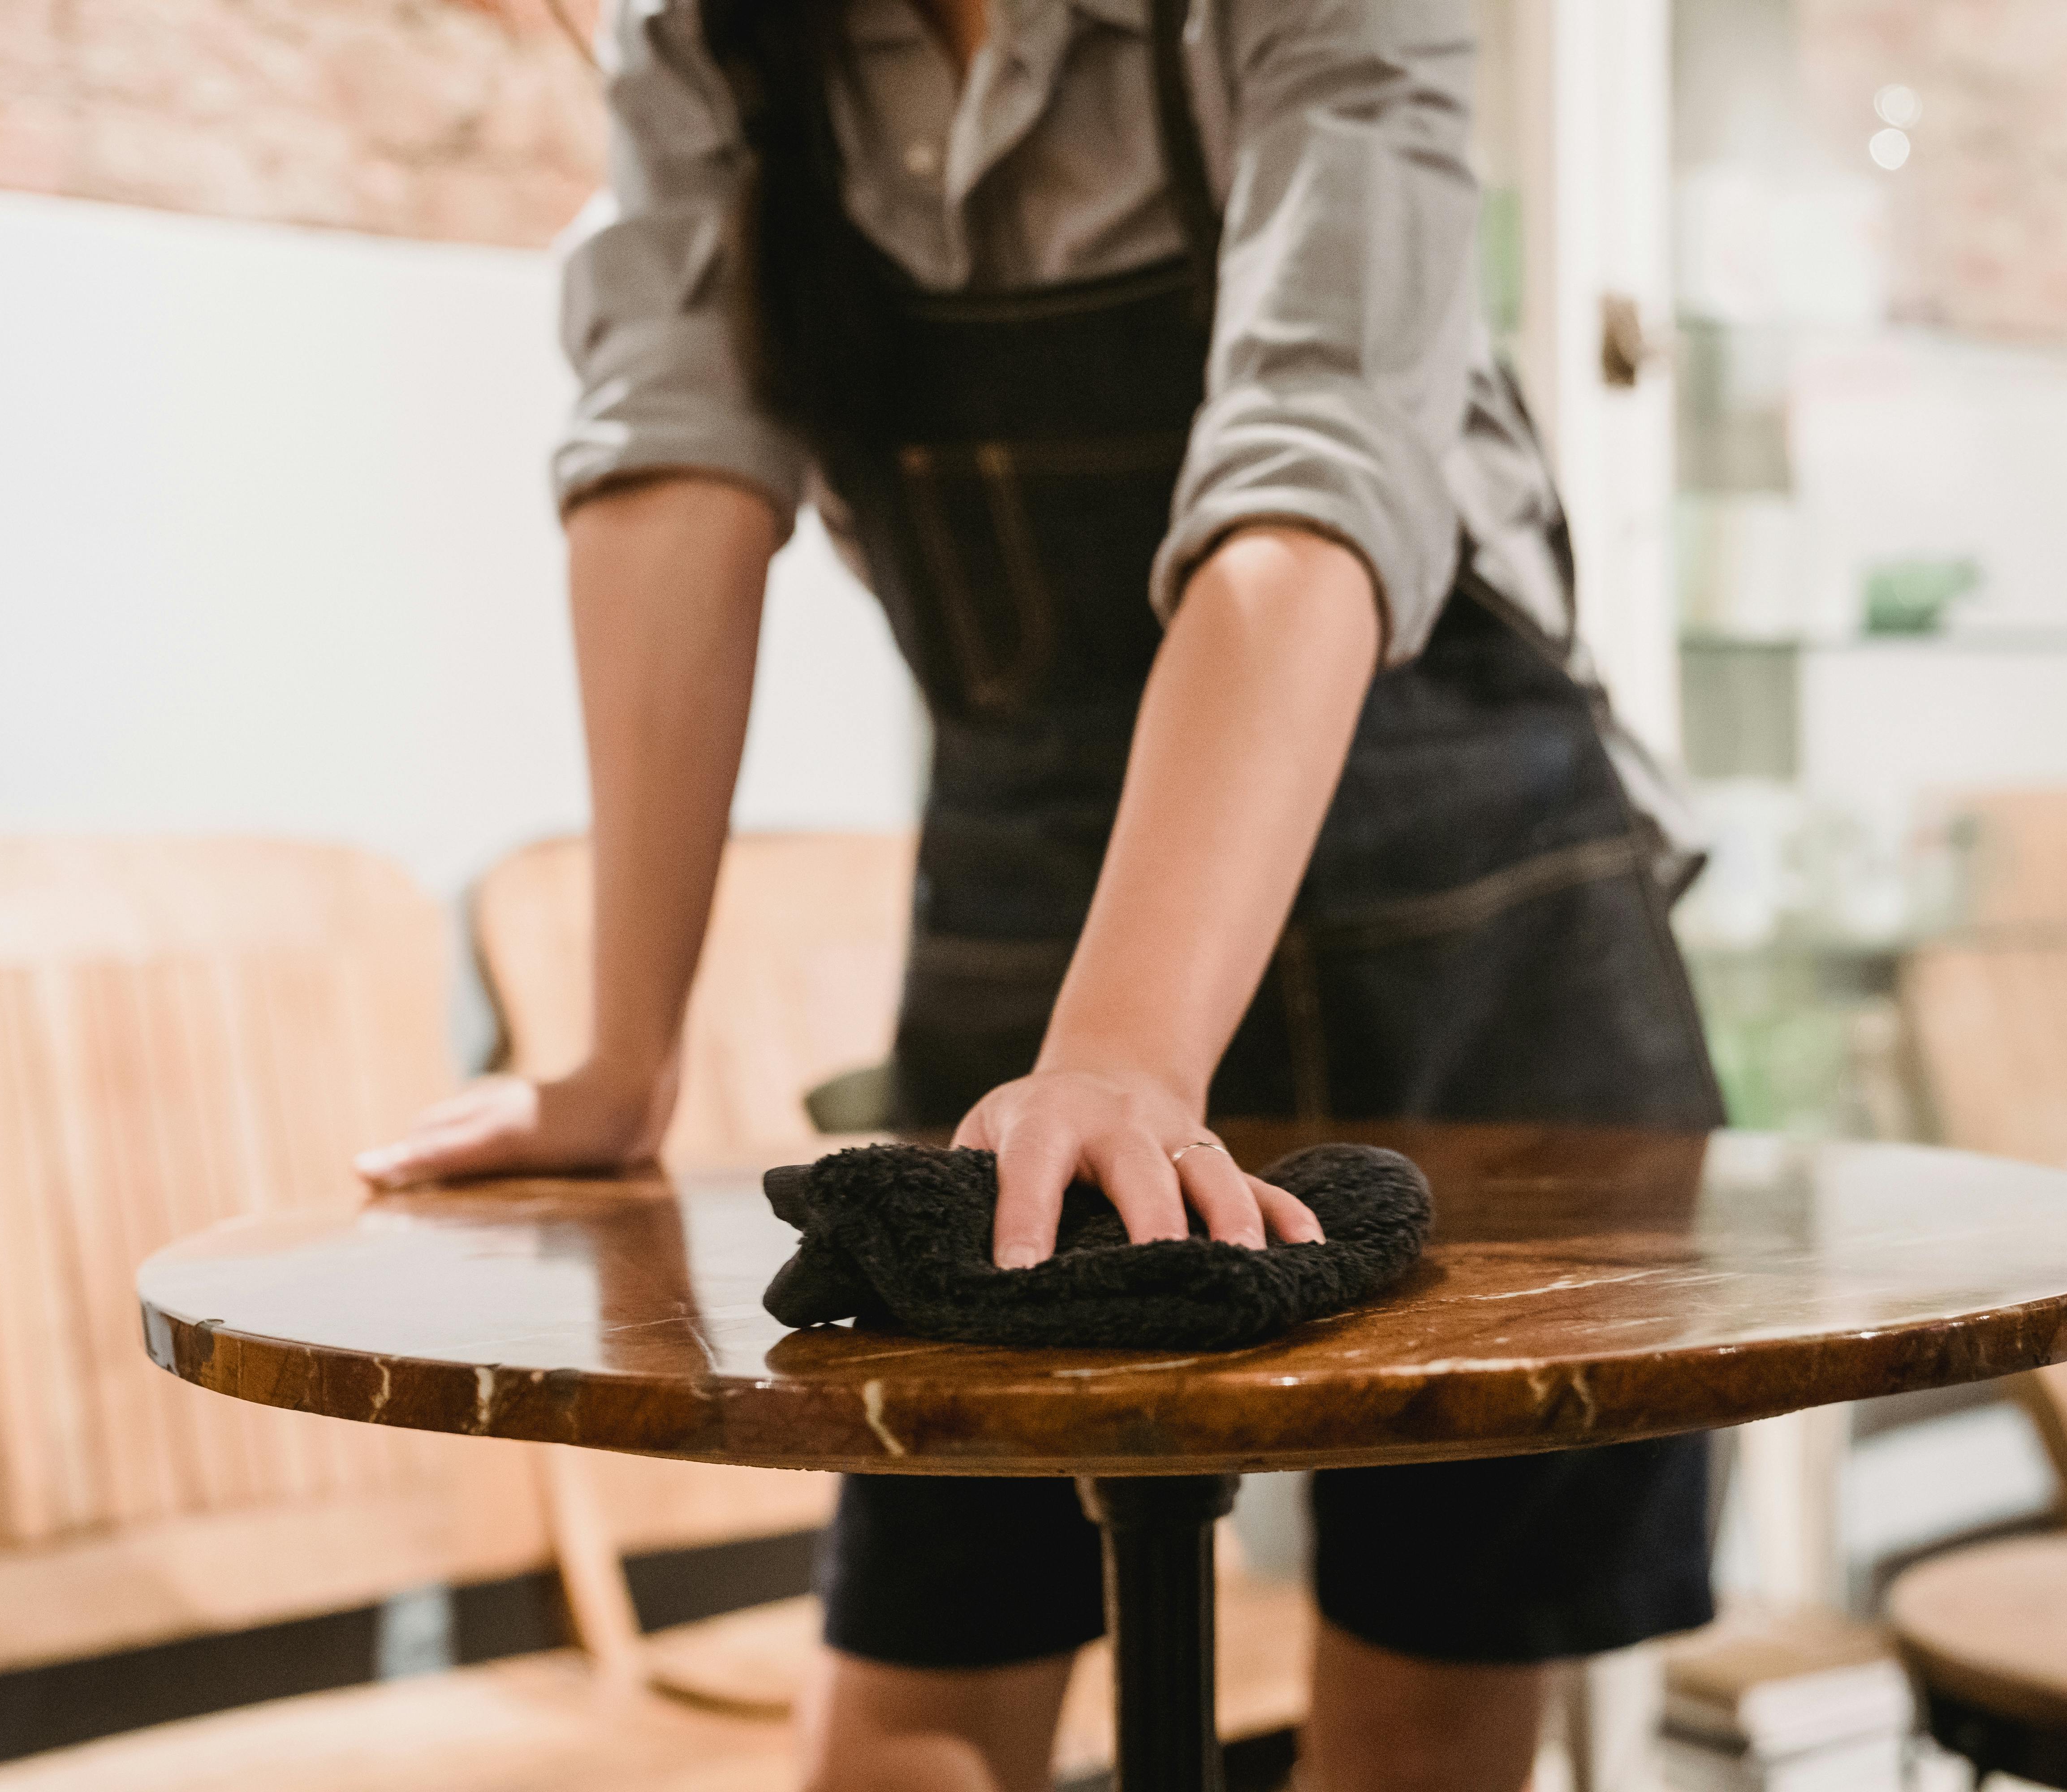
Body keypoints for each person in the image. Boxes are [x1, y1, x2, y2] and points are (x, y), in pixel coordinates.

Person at [356, 1, 1725, 1787]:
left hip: (1471, 918)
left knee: (1419, 1705)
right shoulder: (715, 34)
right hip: (1033, 899)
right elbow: (675, 453)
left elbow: (1310, 477)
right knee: (912, 1703)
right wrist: (623, 1052)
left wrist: (1130, 1050)